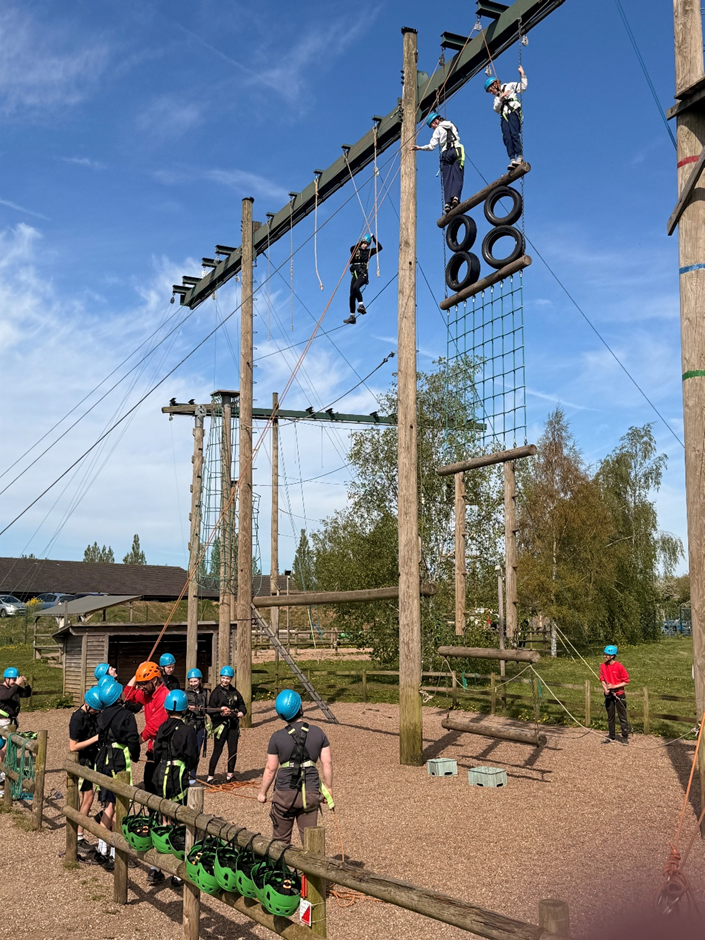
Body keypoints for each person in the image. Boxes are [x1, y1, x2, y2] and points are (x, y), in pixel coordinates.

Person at [257, 689, 333, 846]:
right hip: (310, 793)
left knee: (280, 842)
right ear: (300, 708)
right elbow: (327, 763)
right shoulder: (318, 733)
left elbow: (270, 769)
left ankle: (280, 869)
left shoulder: (277, 737)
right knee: (311, 843)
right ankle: (310, 870)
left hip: (284, 795)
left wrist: (262, 793)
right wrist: (328, 788)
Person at [123, 662, 169, 884]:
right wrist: (135, 676)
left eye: (144, 684)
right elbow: (128, 696)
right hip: (152, 753)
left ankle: (162, 859)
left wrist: (134, 743)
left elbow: (154, 728)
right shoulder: (148, 694)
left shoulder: (163, 697)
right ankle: (154, 852)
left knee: (162, 803)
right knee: (151, 800)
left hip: (163, 754)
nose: (141, 688)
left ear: (154, 681)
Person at [93, 677, 141, 869]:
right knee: (119, 805)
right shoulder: (126, 715)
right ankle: (115, 852)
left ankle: (101, 847)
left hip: (103, 759)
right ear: (117, 696)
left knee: (108, 804)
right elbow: (132, 740)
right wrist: (135, 755)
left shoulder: (102, 714)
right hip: (119, 760)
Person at [411, 111, 465, 215]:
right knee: (457, 175)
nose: (433, 127)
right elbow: (456, 130)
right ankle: (456, 197)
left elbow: (431, 146)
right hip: (456, 150)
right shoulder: (450, 124)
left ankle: (447, 203)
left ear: (436, 121)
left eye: (432, 125)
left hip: (445, 154)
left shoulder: (437, 130)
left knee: (447, 179)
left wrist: (420, 148)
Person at [69, 685, 103, 844]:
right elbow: (73, 746)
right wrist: (96, 738)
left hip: (94, 757)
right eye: (96, 710)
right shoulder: (78, 718)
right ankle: (79, 835)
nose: (98, 712)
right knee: (88, 797)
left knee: (90, 796)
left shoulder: (94, 714)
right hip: (83, 761)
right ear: (88, 705)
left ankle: (80, 832)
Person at [207, 666, 246, 783]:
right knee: (217, 750)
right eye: (223, 678)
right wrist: (220, 712)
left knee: (233, 750)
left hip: (233, 725)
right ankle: (210, 776)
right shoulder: (216, 693)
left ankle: (230, 775)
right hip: (221, 725)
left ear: (231, 679)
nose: (225, 680)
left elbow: (242, 705)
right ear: (220, 678)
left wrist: (241, 712)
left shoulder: (235, 692)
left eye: (227, 678)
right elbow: (209, 710)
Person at [484, 66, 528, 170]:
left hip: (513, 112)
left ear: (495, 84)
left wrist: (522, 74)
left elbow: (522, 87)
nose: (492, 92)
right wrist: (500, 97)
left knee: (514, 133)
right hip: (504, 116)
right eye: (490, 91)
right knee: (507, 137)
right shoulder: (496, 99)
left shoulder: (509, 86)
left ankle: (519, 156)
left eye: (491, 89)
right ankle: (512, 158)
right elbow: (496, 109)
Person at [343, 234, 382, 325]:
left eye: (366, 244)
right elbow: (352, 248)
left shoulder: (368, 252)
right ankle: (352, 317)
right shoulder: (355, 249)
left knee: (356, 287)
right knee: (352, 296)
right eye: (364, 243)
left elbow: (379, 248)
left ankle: (361, 305)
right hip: (355, 274)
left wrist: (373, 238)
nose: (365, 246)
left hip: (363, 273)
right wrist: (361, 241)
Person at [599, 644, 630, 744]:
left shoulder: (619, 667)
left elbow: (626, 681)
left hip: (619, 695)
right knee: (610, 716)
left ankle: (625, 737)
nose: (605, 656)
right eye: (605, 654)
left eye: (607, 655)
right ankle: (611, 736)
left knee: (622, 716)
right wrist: (605, 689)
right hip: (608, 695)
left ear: (612, 656)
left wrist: (613, 687)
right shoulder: (602, 666)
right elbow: (602, 679)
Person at [0, 667, 31, 763]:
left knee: (7, 744)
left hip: (11, 721)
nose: (15, 682)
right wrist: (16, 685)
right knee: (7, 744)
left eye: (16, 679)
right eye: (13, 679)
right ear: (7, 679)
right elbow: (6, 696)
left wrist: (26, 684)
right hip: (3, 720)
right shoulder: (1, 688)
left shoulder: (14, 688)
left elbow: (27, 694)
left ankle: (4, 765)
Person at [184, 668, 208, 786]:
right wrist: (187, 708)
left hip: (201, 725)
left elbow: (209, 707)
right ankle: (185, 775)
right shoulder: (186, 694)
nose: (193, 683)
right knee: (189, 751)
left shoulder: (205, 693)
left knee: (197, 752)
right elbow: (181, 710)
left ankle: (193, 777)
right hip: (190, 724)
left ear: (200, 680)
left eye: (195, 681)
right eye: (191, 681)